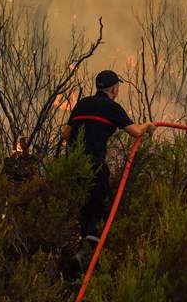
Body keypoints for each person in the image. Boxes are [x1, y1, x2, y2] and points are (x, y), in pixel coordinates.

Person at [61, 70, 154, 258]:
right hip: (94, 167)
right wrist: (148, 125)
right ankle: (88, 258)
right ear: (114, 89)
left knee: (82, 210)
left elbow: (66, 134)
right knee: (102, 210)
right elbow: (136, 132)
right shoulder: (112, 107)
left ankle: (79, 254)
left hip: (72, 167)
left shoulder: (82, 104)